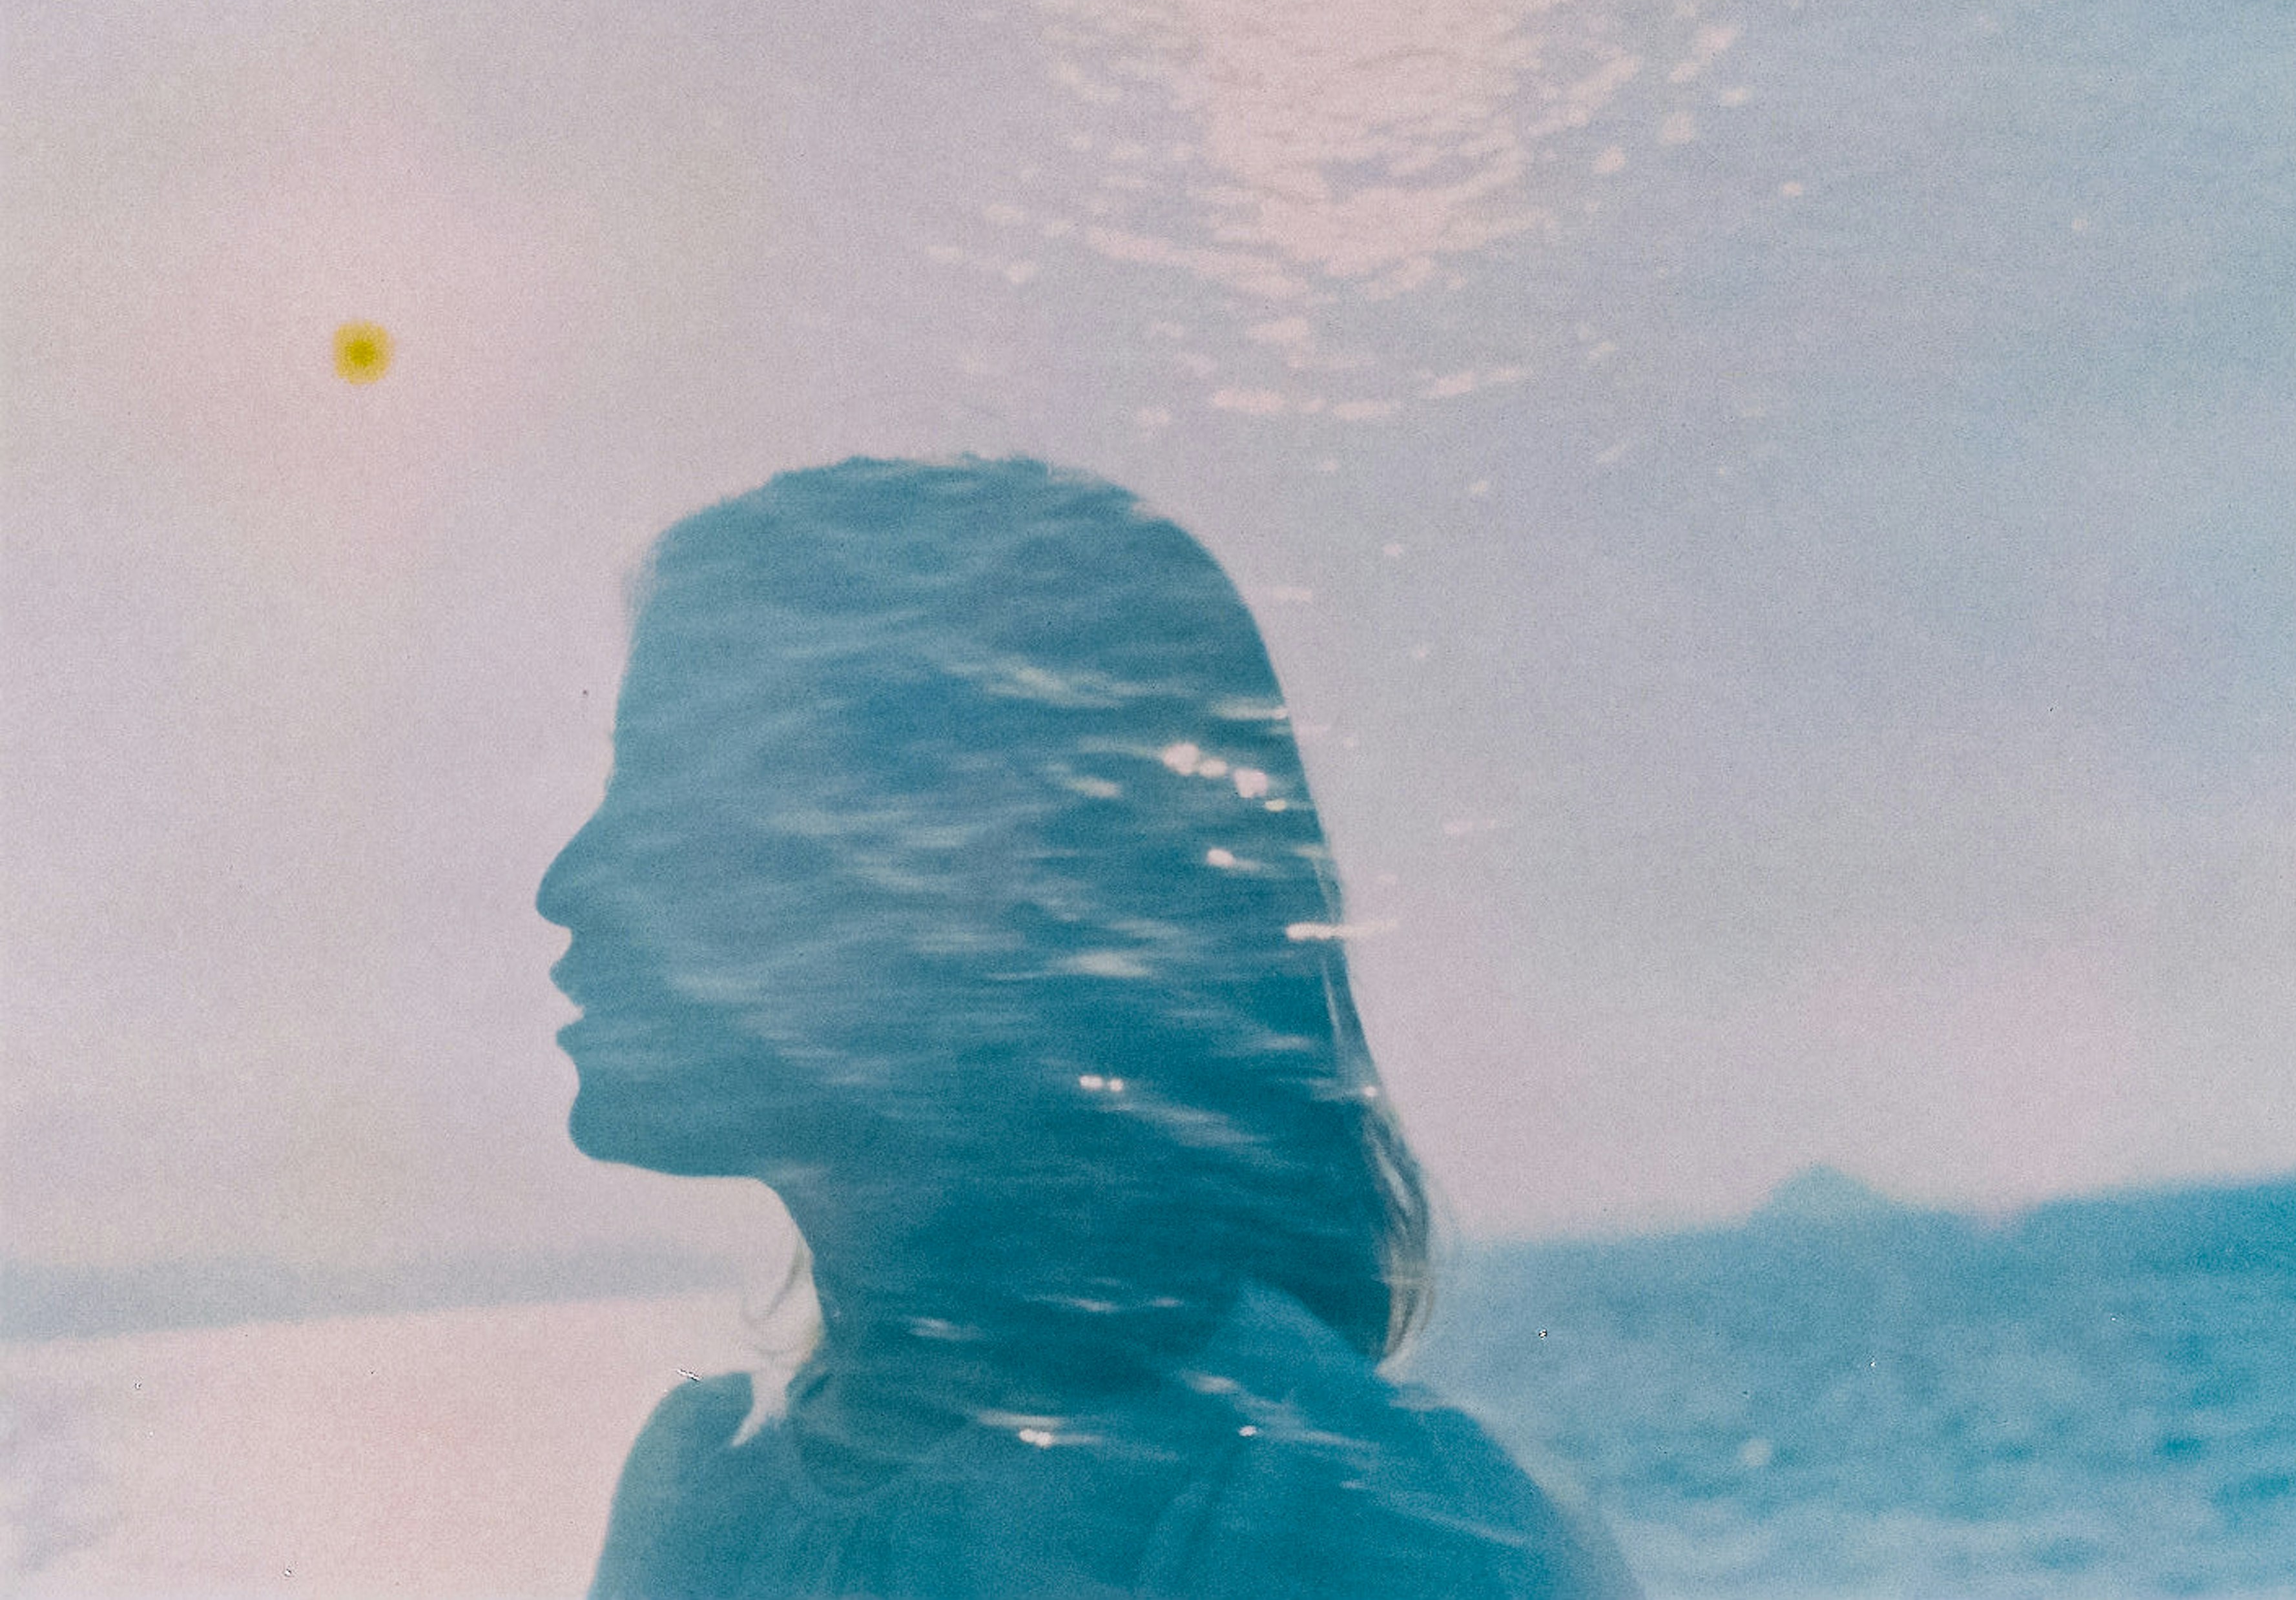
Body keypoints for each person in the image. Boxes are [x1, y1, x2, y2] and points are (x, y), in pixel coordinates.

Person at [537, 458, 1639, 1597]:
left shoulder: (1352, 1538)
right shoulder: (698, 1493)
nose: (570, 882)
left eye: (664, 792)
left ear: (970, 847)